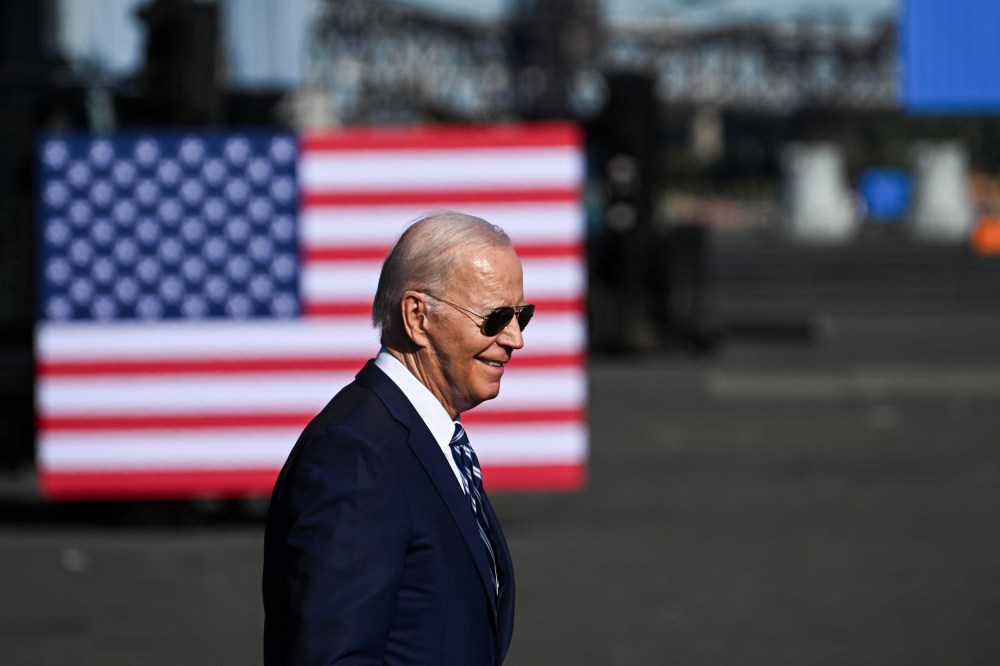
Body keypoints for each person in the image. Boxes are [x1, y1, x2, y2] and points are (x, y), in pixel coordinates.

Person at [263, 211, 530, 665]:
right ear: (417, 316)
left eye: (522, 315)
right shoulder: (356, 454)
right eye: (495, 317)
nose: (516, 339)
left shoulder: (425, 438)